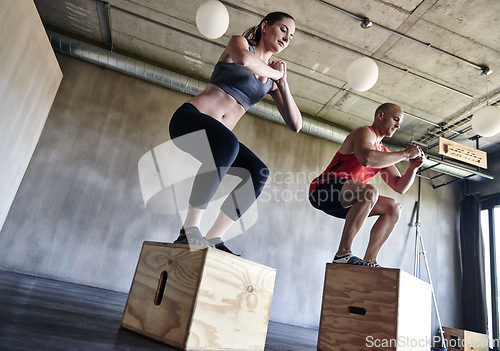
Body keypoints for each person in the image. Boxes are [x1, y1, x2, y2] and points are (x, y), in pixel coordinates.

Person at [169, 12, 302, 255]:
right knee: (228, 144)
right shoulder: (240, 43)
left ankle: (214, 236)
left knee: (258, 171)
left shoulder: (273, 81)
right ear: (265, 26)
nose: (287, 38)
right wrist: (275, 74)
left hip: (219, 141)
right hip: (188, 120)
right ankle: (189, 229)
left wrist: (283, 83)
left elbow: (296, 124)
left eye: (291, 36)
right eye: (283, 30)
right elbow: (244, 60)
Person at [309, 103, 424, 267]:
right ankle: (343, 253)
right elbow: (367, 158)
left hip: (347, 200)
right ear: (380, 116)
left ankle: (370, 260)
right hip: (323, 190)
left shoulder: (383, 151)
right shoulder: (364, 132)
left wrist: (413, 168)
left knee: (393, 207)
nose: (398, 126)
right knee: (370, 192)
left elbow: (399, 186)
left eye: (400, 122)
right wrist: (405, 154)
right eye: (395, 119)